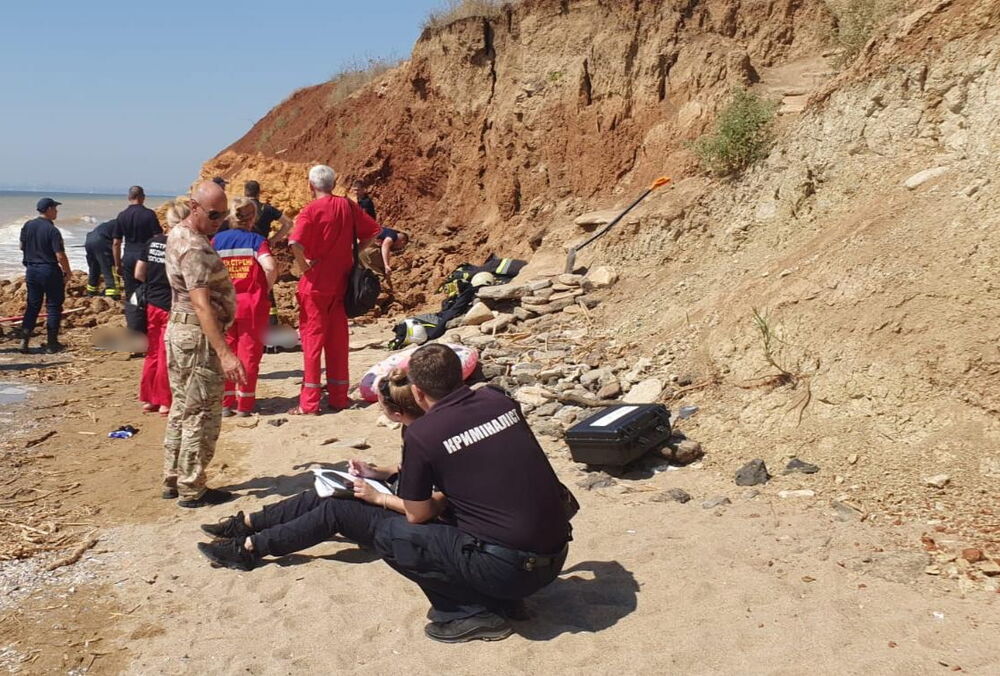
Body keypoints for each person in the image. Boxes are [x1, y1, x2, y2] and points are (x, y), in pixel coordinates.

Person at [372, 344, 572, 643]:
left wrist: (377, 498)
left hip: (510, 569)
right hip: (556, 553)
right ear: (461, 376)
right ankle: (504, 600)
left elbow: (417, 513)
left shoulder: (422, 433)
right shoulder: (498, 400)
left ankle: (468, 613)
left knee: (391, 533)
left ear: (417, 392)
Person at [195, 369, 423, 569]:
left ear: (396, 413)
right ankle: (247, 525)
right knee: (325, 492)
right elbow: (406, 470)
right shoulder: (413, 428)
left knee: (335, 509)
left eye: (381, 407)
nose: (378, 411)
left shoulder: (426, 440)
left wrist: (378, 498)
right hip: (398, 500)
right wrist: (375, 473)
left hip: (410, 523)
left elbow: (427, 508)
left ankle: (250, 548)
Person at [162, 181, 245, 508]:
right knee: (202, 413)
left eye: (224, 215)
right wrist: (225, 353)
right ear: (194, 207)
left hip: (182, 333)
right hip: (197, 337)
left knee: (183, 408)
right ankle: (192, 487)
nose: (219, 221)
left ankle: (173, 477)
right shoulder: (194, 248)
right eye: (213, 214)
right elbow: (201, 304)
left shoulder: (179, 234)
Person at [287, 165, 379, 415]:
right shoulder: (347, 206)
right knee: (338, 342)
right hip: (343, 283)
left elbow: (294, 242)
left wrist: (305, 266)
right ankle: (339, 398)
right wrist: (353, 254)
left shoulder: (310, 210)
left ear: (310, 186)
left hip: (315, 286)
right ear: (334, 184)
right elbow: (373, 232)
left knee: (312, 343)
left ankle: (310, 403)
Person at [212, 197, 277, 417]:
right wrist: (264, 289)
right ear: (253, 218)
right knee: (248, 354)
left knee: (226, 352)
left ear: (231, 216)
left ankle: (225, 403)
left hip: (224, 305)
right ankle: (245, 405)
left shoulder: (217, 241)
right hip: (251, 304)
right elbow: (270, 267)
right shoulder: (257, 241)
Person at [135, 200, 187, 415]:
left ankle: (148, 399)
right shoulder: (180, 245)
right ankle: (165, 400)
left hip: (152, 303)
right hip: (171, 304)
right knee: (168, 354)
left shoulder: (153, 242)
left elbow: (138, 273)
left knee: (153, 352)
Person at [18, 198, 72, 354]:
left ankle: (24, 339)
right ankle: (51, 344)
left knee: (33, 305)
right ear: (48, 209)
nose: (57, 211)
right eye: (55, 208)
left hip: (32, 270)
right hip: (49, 270)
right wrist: (68, 272)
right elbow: (60, 255)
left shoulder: (28, 225)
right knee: (54, 306)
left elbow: (22, 246)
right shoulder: (52, 230)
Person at [113, 186, 163, 333]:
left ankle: (133, 328)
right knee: (148, 291)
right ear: (142, 197)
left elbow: (116, 242)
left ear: (129, 197)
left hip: (128, 256)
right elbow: (158, 238)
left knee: (131, 294)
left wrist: (117, 264)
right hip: (145, 257)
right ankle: (149, 326)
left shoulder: (122, 215)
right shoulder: (149, 215)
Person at [244, 180, 292, 328]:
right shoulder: (267, 209)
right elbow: (288, 223)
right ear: (259, 193)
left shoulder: (241, 210)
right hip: (263, 249)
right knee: (266, 286)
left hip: (244, 250)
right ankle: (270, 325)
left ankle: (248, 322)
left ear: (245, 192)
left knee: (245, 286)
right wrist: (273, 240)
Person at [360, 225, 409, 292]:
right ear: (402, 241)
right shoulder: (393, 235)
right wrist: (386, 265)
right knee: (379, 271)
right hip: (365, 250)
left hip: (356, 248)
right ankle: (377, 287)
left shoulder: (384, 231)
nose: (399, 248)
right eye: (402, 246)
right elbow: (385, 246)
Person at [84, 219, 120, 298]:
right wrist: (118, 264)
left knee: (94, 268)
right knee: (109, 267)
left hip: (89, 240)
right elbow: (116, 244)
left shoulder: (111, 223)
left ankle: (91, 291)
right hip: (101, 240)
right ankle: (112, 292)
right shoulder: (121, 225)